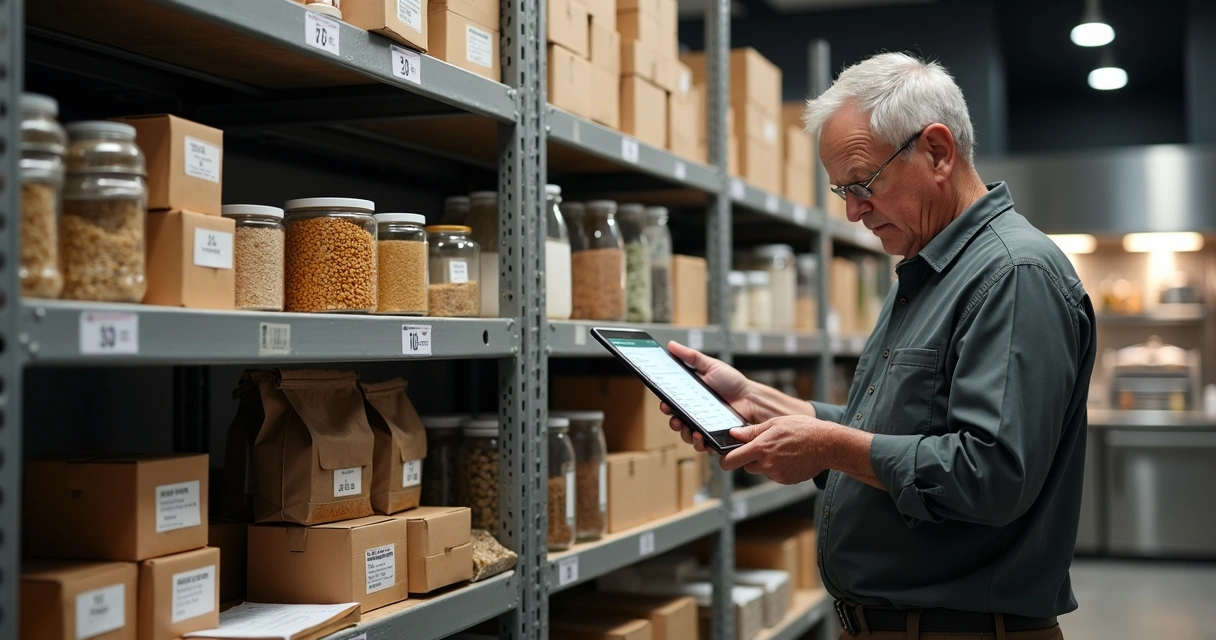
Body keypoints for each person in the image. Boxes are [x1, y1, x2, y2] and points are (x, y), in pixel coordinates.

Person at [662, 52, 1095, 640]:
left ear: (938, 152)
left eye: (863, 183)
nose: (851, 211)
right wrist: (764, 404)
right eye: (842, 189)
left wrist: (826, 445)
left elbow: (989, 474)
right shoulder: (926, 268)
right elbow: (899, 431)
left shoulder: (1014, 274)